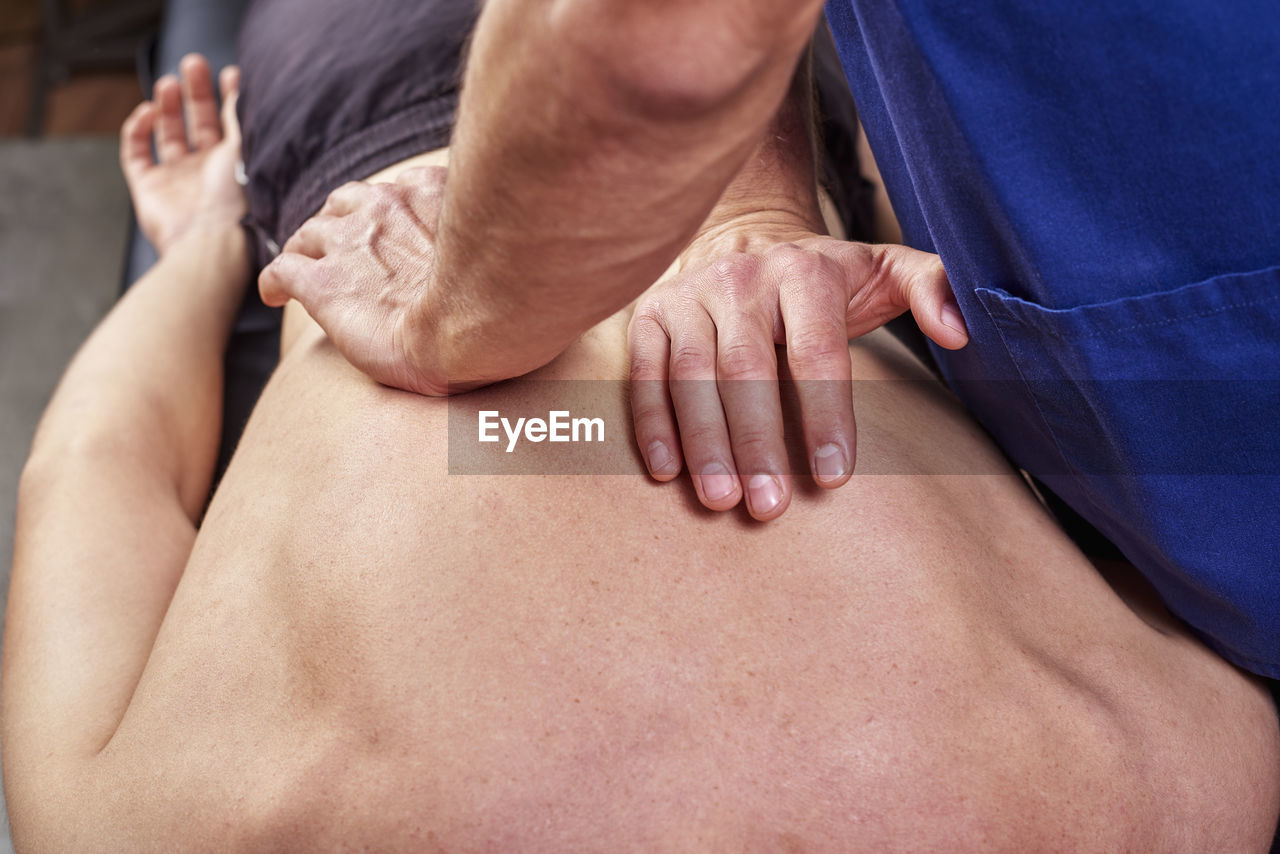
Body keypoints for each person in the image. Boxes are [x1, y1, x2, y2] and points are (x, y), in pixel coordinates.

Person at [4, 25, 1279, 854]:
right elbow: (104, 465)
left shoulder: (1172, 786)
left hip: (427, 141)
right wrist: (219, 241)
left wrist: (225, 232)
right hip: (723, 133)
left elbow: (104, 464)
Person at [257, 0, 1280, 688]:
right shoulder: (1168, 766)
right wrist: (749, 214)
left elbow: (656, 44)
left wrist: (446, 316)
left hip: (405, 137)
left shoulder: (1167, 769)